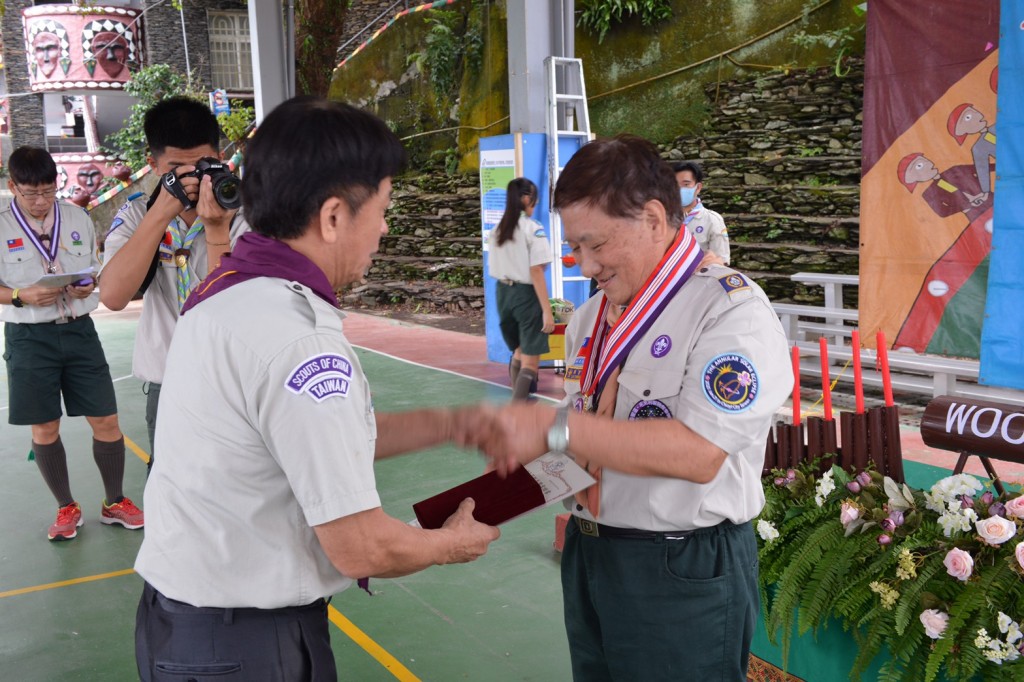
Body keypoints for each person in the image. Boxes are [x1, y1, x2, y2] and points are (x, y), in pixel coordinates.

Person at [134, 97, 501, 681]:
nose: (383, 228)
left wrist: (449, 424)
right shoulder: (297, 340)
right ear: (333, 217)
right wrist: (448, 544)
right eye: (381, 209)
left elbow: (290, 444)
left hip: (183, 626)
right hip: (247, 647)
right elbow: (360, 547)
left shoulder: (226, 291)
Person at [487, 135, 792, 680]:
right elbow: (581, 433)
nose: (583, 267)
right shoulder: (592, 319)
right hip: (591, 556)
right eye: (574, 249)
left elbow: (700, 453)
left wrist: (559, 431)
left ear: (653, 219)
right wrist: (509, 483)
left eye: (593, 245)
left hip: (679, 567)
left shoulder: (729, 312)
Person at [0, 146, 142, 540]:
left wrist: (86, 285)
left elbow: (92, 269)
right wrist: (17, 296)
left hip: (79, 331)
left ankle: (115, 501)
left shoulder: (76, 216)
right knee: (45, 427)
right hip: (29, 337)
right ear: (13, 187)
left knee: (107, 419)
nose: (41, 201)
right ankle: (66, 508)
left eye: (48, 190)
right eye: (31, 194)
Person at [99, 96, 248, 464]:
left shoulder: (247, 214)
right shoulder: (137, 214)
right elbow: (115, 296)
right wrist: (161, 212)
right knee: (171, 496)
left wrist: (216, 228)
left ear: (220, 155)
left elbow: (234, 308)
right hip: (168, 384)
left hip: (236, 382)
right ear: (152, 165)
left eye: (203, 165)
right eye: (177, 169)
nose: (193, 178)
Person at [487, 177, 554, 400]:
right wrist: (546, 310)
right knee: (531, 359)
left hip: (502, 293)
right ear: (526, 198)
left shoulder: (497, 230)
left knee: (518, 349)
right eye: (534, 199)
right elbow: (536, 271)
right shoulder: (532, 229)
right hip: (525, 295)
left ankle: (516, 402)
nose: (534, 203)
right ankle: (518, 412)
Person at [672, 160, 730, 264]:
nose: (679, 189)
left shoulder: (712, 220)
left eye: (686, 184)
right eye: (675, 185)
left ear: (698, 187)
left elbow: (721, 260)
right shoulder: (663, 219)